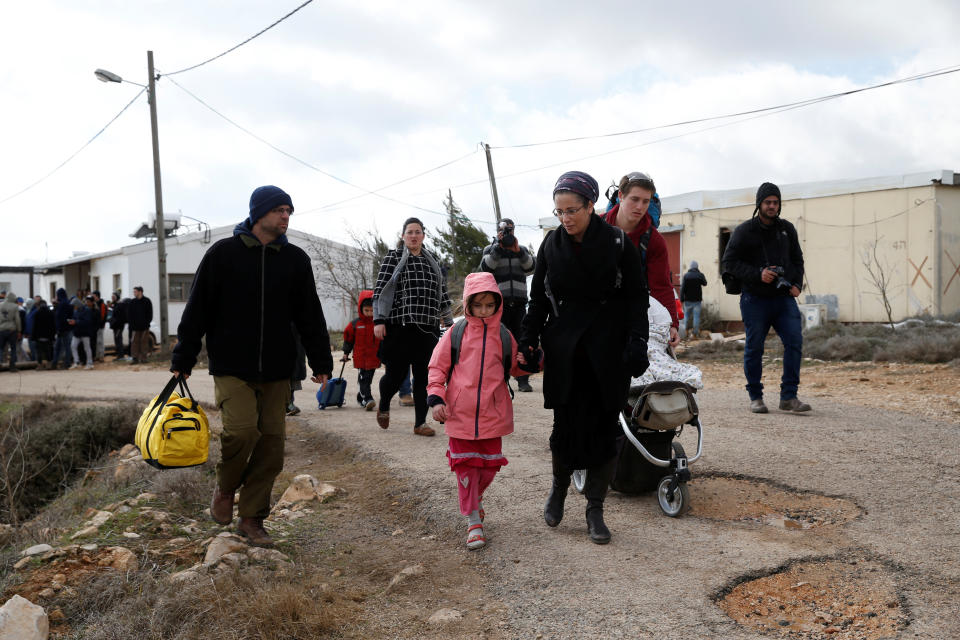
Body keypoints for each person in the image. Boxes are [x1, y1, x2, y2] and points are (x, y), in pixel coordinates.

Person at [171, 185, 333, 546]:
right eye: (279, 210)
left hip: (278, 369)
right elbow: (197, 308)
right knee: (241, 432)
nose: (286, 217)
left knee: (272, 447)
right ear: (259, 213)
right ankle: (226, 488)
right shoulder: (222, 254)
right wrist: (183, 356)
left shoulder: (295, 260)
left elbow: (310, 315)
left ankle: (251, 519)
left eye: (289, 211)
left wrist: (320, 360)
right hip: (231, 365)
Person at [520, 170, 650, 545]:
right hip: (565, 348)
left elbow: (636, 296)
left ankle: (595, 507)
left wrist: (637, 340)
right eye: (560, 211)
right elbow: (538, 300)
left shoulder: (617, 242)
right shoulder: (550, 245)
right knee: (566, 426)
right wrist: (529, 339)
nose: (566, 218)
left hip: (608, 346)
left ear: (592, 205)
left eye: (573, 210)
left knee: (606, 428)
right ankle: (559, 488)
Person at [427, 272, 527, 550]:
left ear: (498, 304)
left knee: (489, 467)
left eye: (489, 305)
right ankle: (473, 522)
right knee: (466, 468)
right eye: (478, 304)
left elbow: (516, 368)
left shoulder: (504, 335)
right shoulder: (455, 333)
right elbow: (437, 367)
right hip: (459, 413)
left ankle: (476, 499)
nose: (484, 310)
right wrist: (436, 398)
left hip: (492, 414)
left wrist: (531, 360)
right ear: (468, 304)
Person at [721, 181, 810, 414]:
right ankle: (756, 397)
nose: (772, 206)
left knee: (794, 342)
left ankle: (789, 397)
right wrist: (758, 274)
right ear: (759, 204)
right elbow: (729, 263)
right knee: (755, 347)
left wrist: (797, 284)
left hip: (783, 298)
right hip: (755, 299)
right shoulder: (744, 231)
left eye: (775, 202)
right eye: (768, 202)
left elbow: (798, 260)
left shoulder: (787, 229)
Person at [373, 217, 453, 436]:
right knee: (395, 376)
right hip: (399, 326)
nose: (414, 236)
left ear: (423, 236)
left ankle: (420, 423)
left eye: (418, 232)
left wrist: (448, 320)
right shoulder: (393, 257)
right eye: (410, 232)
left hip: (427, 328)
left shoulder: (432, 261)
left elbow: (442, 292)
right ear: (403, 235)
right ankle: (385, 403)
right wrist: (379, 320)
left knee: (423, 377)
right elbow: (380, 289)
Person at [602, 172, 680, 348]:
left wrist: (672, 324)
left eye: (646, 201)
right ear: (621, 196)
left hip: (635, 311)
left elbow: (661, 285)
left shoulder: (654, 240)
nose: (640, 206)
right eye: (634, 199)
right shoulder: (595, 227)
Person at [479, 218, 537, 392]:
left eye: (510, 230)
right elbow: (485, 269)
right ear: (498, 231)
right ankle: (500, 378)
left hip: (519, 303)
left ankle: (522, 379)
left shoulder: (522, 249)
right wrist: (499, 248)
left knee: (522, 341)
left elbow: (532, 268)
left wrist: (518, 251)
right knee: (499, 342)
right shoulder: (490, 250)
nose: (507, 233)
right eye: (504, 230)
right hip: (499, 304)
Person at [341, 290, 381, 410]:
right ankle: (368, 398)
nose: (369, 313)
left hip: (374, 358)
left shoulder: (378, 324)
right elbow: (348, 340)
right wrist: (345, 353)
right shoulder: (355, 324)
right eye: (366, 311)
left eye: (372, 311)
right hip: (361, 358)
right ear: (361, 309)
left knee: (368, 379)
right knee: (364, 379)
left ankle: (361, 397)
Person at [679, 260, 708, 339]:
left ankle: (684, 333)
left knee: (686, 317)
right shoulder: (700, 275)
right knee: (696, 317)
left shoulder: (686, 276)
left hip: (687, 301)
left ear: (690, 267)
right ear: (697, 267)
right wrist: (700, 277)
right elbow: (705, 283)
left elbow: (682, 289)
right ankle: (695, 334)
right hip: (697, 300)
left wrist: (681, 299)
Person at [69, 295, 98, 370]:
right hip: (77, 332)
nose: (74, 307)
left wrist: (76, 322)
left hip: (85, 332)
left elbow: (87, 321)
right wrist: (72, 322)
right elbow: (76, 319)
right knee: (73, 346)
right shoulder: (76, 311)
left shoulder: (87, 310)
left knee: (87, 348)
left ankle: (90, 363)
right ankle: (77, 362)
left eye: (74, 305)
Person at [127, 286, 153, 363]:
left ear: (140, 292)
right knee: (135, 343)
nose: (134, 293)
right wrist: (131, 325)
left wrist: (147, 323)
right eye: (134, 291)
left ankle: (144, 358)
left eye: (135, 291)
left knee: (144, 342)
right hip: (135, 327)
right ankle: (135, 358)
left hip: (145, 327)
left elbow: (150, 314)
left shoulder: (147, 301)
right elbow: (129, 315)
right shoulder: (132, 302)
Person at [30, 296, 55, 369]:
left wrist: (33, 336)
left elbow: (35, 326)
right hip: (48, 336)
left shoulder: (37, 313)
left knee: (39, 352)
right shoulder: (50, 313)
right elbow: (53, 325)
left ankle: (40, 365)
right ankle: (49, 364)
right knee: (48, 351)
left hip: (39, 336)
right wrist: (53, 335)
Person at [52, 288, 74, 369]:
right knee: (66, 347)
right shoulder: (68, 303)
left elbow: (60, 317)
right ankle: (63, 363)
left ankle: (59, 363)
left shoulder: (62, 304)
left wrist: (59, 329)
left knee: (60, 347)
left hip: (62, 329)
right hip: (67, 328)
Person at [0, 291, 22, 370]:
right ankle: (12, 366)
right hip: (11, 330)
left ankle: (0, 363)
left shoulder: (0, 305)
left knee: (1, 348)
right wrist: (19, 330)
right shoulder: (15, 306)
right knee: (13, 348)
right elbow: (17, 319)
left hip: (1, 329)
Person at [109, 292, 127, 360]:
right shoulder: (116, 305)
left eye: (113, 297)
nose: (112, 298)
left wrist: (115, 322)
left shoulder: (120, 305)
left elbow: (120, 317)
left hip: (119, 326)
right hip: (116, 326)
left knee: (118, 340)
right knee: (117, 340)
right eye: (112, 297)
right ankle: (119, 355)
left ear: (117, 297)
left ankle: (121, 356)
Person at [92, 290, 107, 361]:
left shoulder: (102, 305)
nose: (93, 297)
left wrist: (100, 324)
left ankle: (101, 356)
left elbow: (103, 316)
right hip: (95, 326)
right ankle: (97, 355)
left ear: (97, 296)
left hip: (100, 326)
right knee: (96, 341)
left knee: (100, 341)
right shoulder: (94, 304)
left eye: (93, 296)